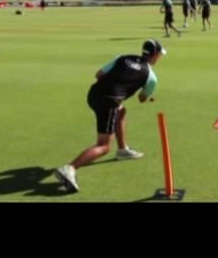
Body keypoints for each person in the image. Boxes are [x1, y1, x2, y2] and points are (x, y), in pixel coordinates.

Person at [54, 39, 166, 193]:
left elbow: (98, 74)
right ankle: (70, 168)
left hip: (93, 94)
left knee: (121, 110)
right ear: (154, 56)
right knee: (104, 146)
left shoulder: (122, 57)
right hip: (109, 102)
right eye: (159, 55)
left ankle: (122, 150)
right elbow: (142, 99)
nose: (159, 58)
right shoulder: (151, 77)